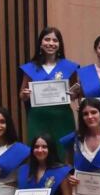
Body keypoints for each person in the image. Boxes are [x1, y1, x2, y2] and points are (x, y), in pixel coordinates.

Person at [19, 27, 77, 158]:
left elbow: (75, 93)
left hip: (62, 118)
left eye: (55, 40)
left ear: (59, 44)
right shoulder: (30, 67)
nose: (51, 43)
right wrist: (25, 94)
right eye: (47, 39)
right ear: (40, 43)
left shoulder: (70, 67)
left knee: (65, 153)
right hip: (38, 118)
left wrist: (74, 95)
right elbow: (22, 95)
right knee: (39, 153)